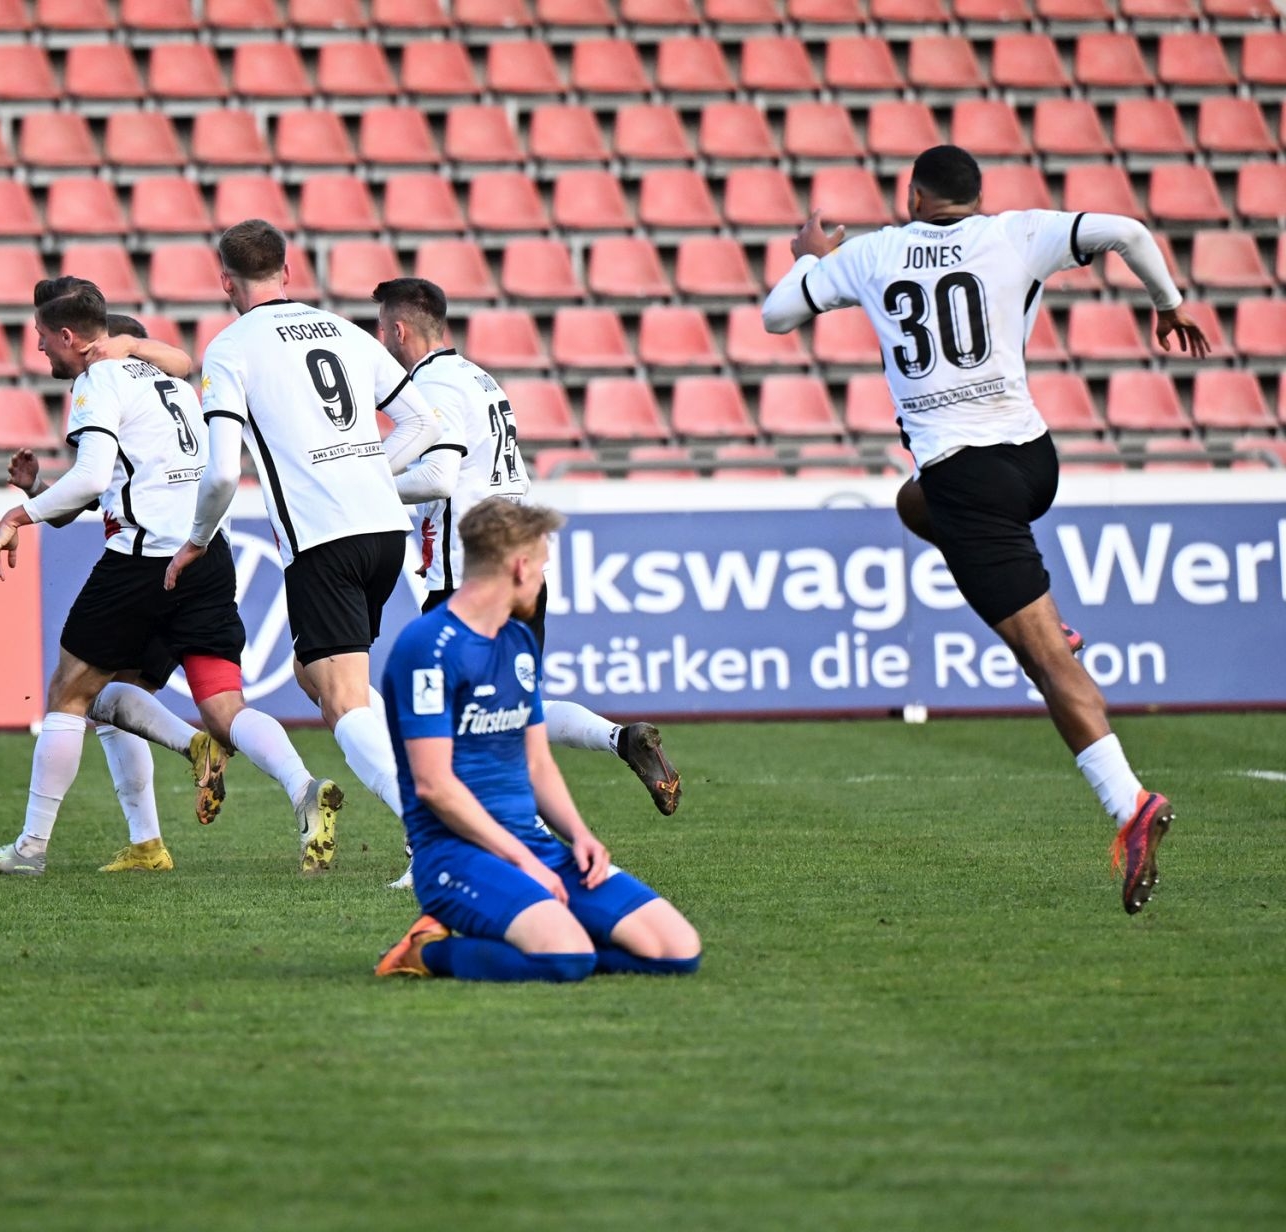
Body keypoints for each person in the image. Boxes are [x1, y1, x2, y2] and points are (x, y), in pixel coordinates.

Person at [761, 144, 1209, 914]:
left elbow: (775, 316)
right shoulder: (1018, 232)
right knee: (913, 504)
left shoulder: (873, 254)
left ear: (912, 194)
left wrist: (809, 260)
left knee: (1043, 666)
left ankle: (1129, 804)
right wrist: (1167, 304)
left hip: (966, 478)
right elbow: (1132, 231)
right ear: (976, 194)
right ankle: (1050, 624)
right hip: (1033, 463)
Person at [0, 281, 339, 875]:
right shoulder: (173, 385)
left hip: (143, 561)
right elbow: (116, 485)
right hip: (204, 551)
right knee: (199, 704)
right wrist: (39, 491)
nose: (40, 352)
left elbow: (90, 481)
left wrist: (19, 513)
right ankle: (296, 790)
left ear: (69, 336)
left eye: (41, 340)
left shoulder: (98, 380)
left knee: (70, 691)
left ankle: (31, 850)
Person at [166, 220, 459, 865]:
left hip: (324, 538)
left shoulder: (230, 348)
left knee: (343, 696)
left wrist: (196, 539)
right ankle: (427, 794)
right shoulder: (345, 331)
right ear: (287, 272)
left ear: (225, 282)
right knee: (314, 675)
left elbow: (220, 472)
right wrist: (368, 470)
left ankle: (434, 837)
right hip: (386, 532)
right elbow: (423, 421)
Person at [372, 277, 682, 822]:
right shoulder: (479, 378)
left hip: (471, 572)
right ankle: (617, 738)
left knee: (438, 717)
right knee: (510, 709)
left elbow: (441, 478)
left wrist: (365, 484)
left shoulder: (434, 386)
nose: (378, 337)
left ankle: (457, 843)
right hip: (523, 567)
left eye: (380, 327)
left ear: (398, 330)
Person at [374, 499, 702, 981]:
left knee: (677, 950)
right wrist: (525, 861)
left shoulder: (518, 641)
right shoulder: (427, 647)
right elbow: (433, 786)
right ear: (520, 566)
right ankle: (425, 951)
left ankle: (551, 934)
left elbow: (537, 762)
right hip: (455, 857)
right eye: (543, 566)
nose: (544, 580)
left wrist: (580, 835)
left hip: (535, 848)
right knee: (565, 958)